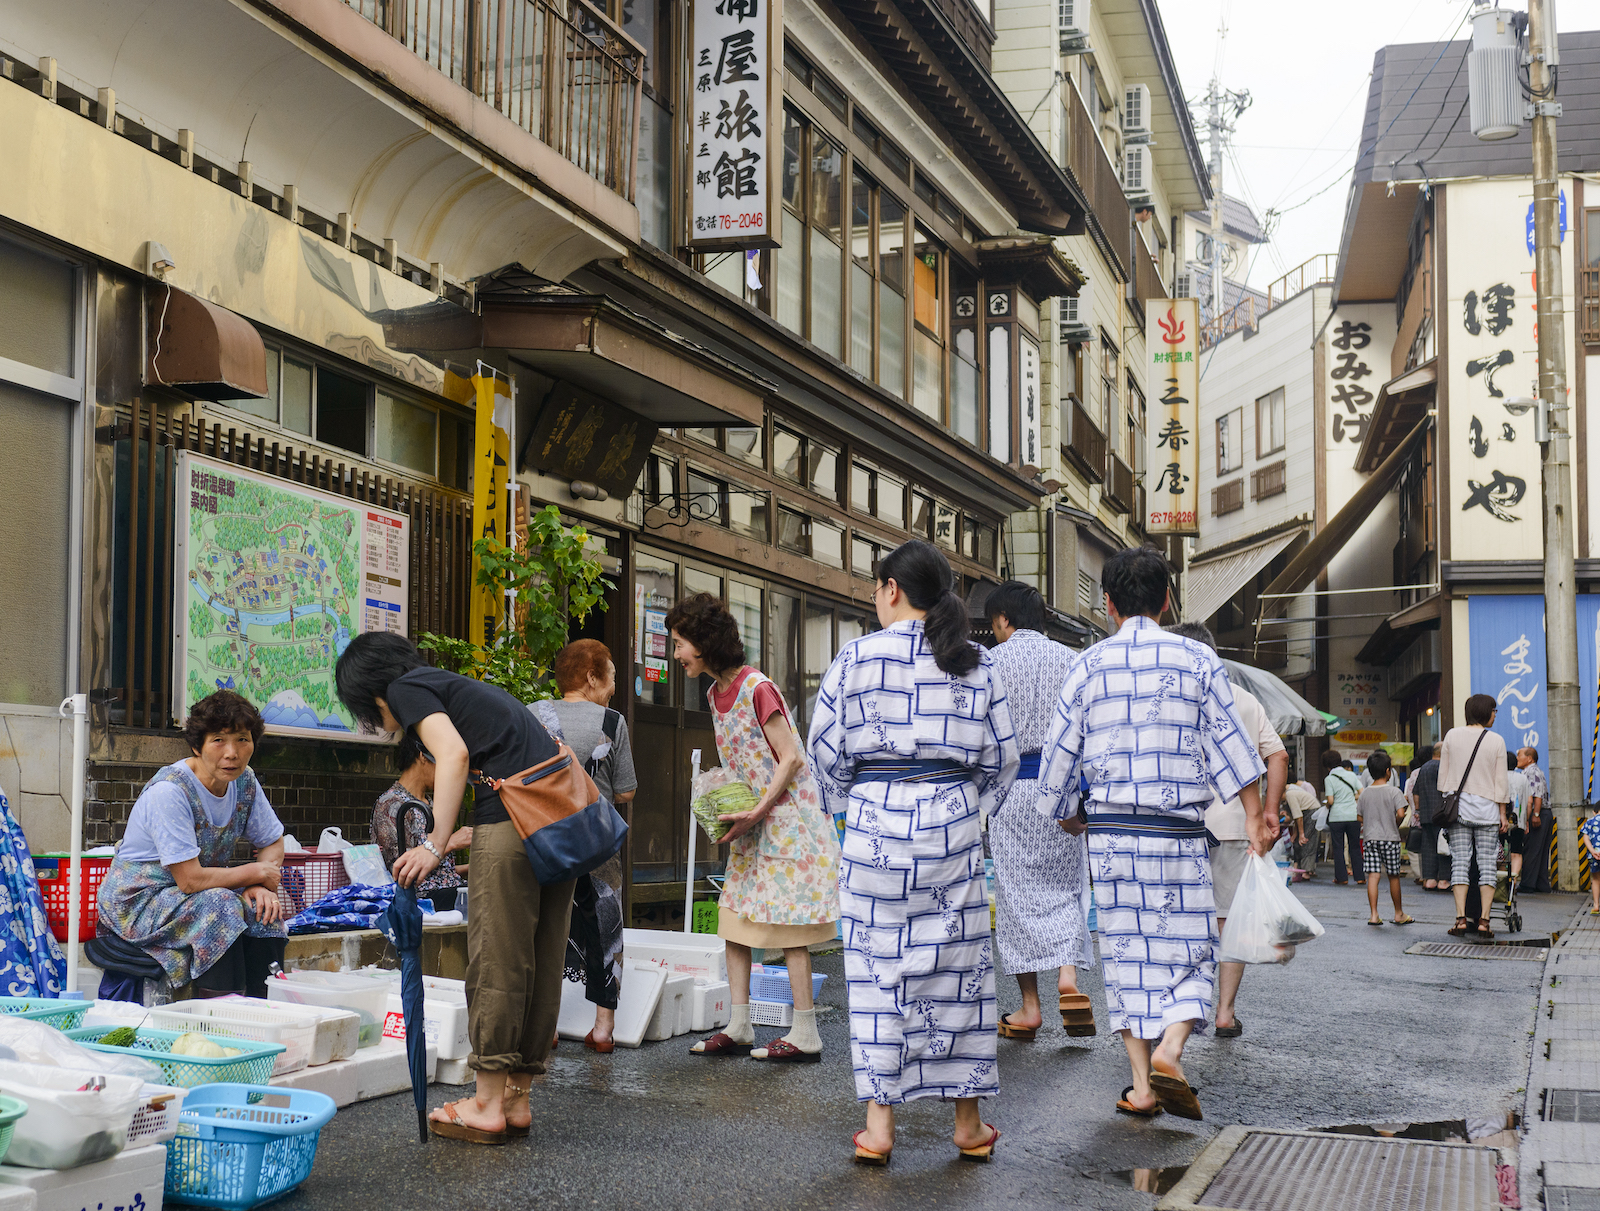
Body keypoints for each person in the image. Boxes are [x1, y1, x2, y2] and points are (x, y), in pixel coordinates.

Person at [1035, 546, 1270, 1123]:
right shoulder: (1197, 659)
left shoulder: (1087, 665)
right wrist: (1255, 814)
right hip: (1178, 834)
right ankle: (1171, 1049)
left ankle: (1141, 1086)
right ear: (1166, 600)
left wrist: (1068, 813)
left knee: (1127, 956)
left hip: (1112, 835)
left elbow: (1060, 759)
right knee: (1188, 951)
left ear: (1108, 604)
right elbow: (1231, 746)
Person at [809, 539, 1017, 1165]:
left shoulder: (855, 658)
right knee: (957, 970)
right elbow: (1002, 760)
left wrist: (854, 804)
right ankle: (968, 1124)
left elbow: (824, 751)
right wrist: (965, 805)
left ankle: (879, 1128)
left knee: (877, 970)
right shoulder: (975, 661)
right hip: (951, 826)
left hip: (875, 828)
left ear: (891, 589)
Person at [335, 631, 566, 1145]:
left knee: (499, 956)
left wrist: (435, 845)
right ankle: (515, 1098)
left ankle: (485, 1104)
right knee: (540, 954)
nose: (379, 721)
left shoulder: (406, 689)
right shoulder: (450, 685)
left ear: (373, 693)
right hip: (559, 814)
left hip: (513, 815)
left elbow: (454, 755)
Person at [667, 593, 841, 1065]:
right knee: (736, 918)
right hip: (754, 821)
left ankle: (806, 1032)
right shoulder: (712, 694)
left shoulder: (757, 687)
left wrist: (759, 809)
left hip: (786, 820)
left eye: (680, 643)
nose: (676, 653)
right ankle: (739, 1024)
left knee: (788, 926)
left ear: (703, 643)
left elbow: (792, 757)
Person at [96, 690, 286, 1000]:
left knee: (264, 909)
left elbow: (272, 842)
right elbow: (190, 880)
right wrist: (254, 873)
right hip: (139, 904)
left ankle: (263, 1009)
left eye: (242, 739)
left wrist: (262, 886)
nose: (232, 753)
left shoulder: (244, 781)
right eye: (219, 740)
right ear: (197, 746)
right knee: (221, 907)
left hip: (193, 894)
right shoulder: (170, 791)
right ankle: (219, 1019)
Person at [983, 581, 1093, 1042]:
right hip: (1061, 790)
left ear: (1005, 620)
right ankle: (1068, 977)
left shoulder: (991, 662)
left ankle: (1030, 1008)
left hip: (1010, 793)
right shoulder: (1071, 661)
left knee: (1015, 896)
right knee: (1065, 890)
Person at [1169, 623, 1286, 1041]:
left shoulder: (1171, 694)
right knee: (1227, 921)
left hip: (1179, 825)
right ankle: (1224, 1012)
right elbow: (1277, 755)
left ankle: (1176, 1013)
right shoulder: (1244, 700)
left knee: (1177, 916)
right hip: (1237, 825)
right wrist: (1269, 811)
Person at [532, 639, 638, 1053]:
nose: (614, 686)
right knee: (605, 926)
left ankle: (547, 1027)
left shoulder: (533, 715)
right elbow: (626, 792)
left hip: (545, 838)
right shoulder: (612, 722)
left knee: (544, 925)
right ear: (592, 677)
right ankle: (602, 1030)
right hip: (596, 842)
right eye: (611, 675)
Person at [371, 733, 471, 911]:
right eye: (442, 761)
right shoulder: (391, 804)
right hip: (422, 901)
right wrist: (450, 843)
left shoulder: (431, 803)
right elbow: (399, 872)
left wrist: (470, 868)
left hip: (447, 892)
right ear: (422, 756)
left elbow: (440, 874)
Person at [1438, 694, 1510, 939]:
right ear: (1485, 712)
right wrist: (1503, 813)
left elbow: (1443, 778)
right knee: (1487, 865)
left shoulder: (1451, 735)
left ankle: (1460, 919)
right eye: (1494, 710)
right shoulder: (1496, 741)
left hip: (1458, 812)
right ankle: (1484, 921)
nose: (1495, 714)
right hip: (1488, 811)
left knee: (1459, 863)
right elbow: (1501, 782)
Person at [1357, 751, 1412, 926]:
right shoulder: (1394, 791)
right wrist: (1394, 822)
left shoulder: (1365, 793)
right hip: (1390, 838)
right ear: (1388, 771)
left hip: (1370, 838)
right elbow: (1401, 813)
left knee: (1373, 876)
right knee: (1393, 876)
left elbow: (1359, 817)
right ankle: (1398, 913)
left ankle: (1374, 915)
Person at [1407, 745, 1447, 890]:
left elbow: (1415, 793)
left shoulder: (1423, 768)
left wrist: (1418, 809)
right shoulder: (1444, 767)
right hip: (1443, 814)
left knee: (1428, 847)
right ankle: (1444, 880)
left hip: (1425, 814)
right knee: (1444, 846)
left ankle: (1430, 880)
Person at [1322, 750, 1363, 885]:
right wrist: (1351, 797)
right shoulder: (1351, 775)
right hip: (1353, 815)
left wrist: (1326, 805)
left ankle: (1342, 878)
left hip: (1337, 817)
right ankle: (1360, 877)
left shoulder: (1329, 779)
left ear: (1327, 766)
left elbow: (1331, 800)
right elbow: (1361, 793)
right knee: (1355, 847)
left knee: (1338, 848)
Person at [1518, 747, 1553, 893]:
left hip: (1539, 813)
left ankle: (1527, 884)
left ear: (1529, 758)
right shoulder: (1531, 771)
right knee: (1540, 850)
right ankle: (1541, 884)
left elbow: (1536, 795)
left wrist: (1535, 814)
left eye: (1520, 755)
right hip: (1544, 813)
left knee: (1532, 849)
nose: (1518, 757)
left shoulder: (1531, 771)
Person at [1504, 753, 1532, 889]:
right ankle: (1513, 880)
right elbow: (1528, 802)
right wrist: (1526, 820)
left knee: (1498, 850)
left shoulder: (1497, 777)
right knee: (1516, 851)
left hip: (1499, 820)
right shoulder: (1523, 778)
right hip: (1518, 821)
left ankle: (1499, 880)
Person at [1283, 779, 1318, 872]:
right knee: (1297, 842)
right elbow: (1295, 817)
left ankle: (1306, 871)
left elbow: (1298, 816)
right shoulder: (1289, 793)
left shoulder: (1289, 794)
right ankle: (1297, 868)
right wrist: (1295, 834)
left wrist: (1301, 834)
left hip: (1312, 812)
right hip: (1304, 813)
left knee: (1306, 841)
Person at [1582, 808, 1600, 916]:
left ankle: (1596, 905)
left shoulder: (1590, 821)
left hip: (1595, 855)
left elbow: (1585, 838)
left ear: (1594, 811)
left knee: (1596, 879)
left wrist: (1593, 851)